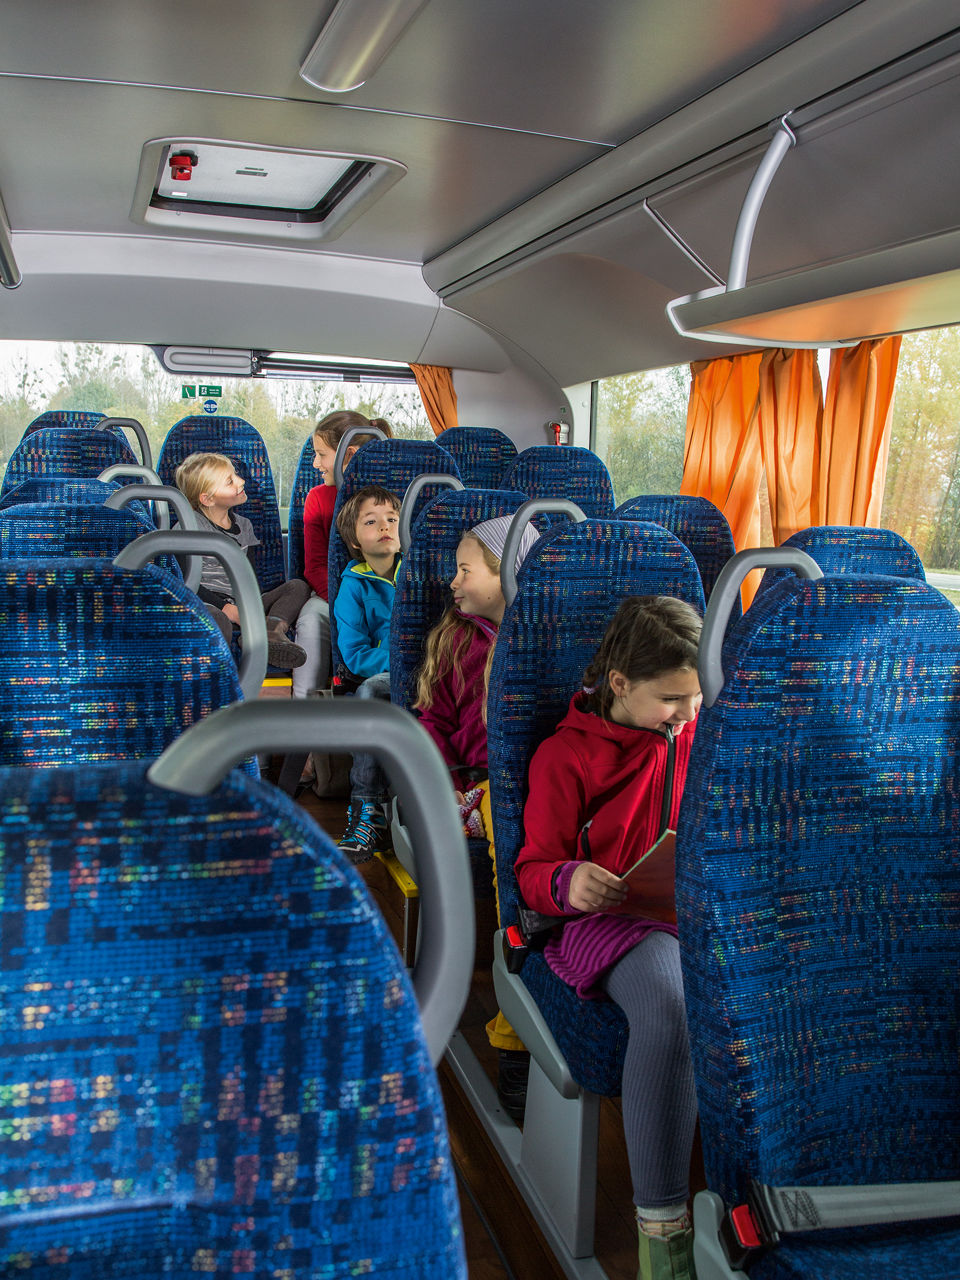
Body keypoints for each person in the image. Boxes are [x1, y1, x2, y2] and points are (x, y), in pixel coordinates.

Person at [514, 595, 703, 1280]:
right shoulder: (567, 757)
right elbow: (532, 871)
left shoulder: (696, 737)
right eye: (671, 700)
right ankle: (665, 1236)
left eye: (695, 698)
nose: (684, 716)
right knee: (671, 1005)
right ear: (620, 684)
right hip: (604, 922)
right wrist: (571, 881)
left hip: (687, 907)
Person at [414, 514, 539, 1121]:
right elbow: (433, 723)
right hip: (474, 787)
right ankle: (513, 1039)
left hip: (538, 784)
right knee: (514, 857)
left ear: (507, 575)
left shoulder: (544, 639)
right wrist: (436, 784)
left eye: (466, 570)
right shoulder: (456, 640)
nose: (453, 582)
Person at [175, 452, 310, 670]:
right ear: (207, 499)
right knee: (215, 618)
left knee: (297, 587)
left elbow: (248, 573)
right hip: (209, 603)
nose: (241, 481)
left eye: (235, 475)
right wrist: (226, 607)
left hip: (242, 602)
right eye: (230, 481)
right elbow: (184, 582)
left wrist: (248, 606)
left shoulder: (244, 525)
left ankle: (270, 630)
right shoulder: (187, 528)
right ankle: (220, 671)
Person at [333, 482, 402, 863]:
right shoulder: (353, 587)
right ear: (356, 540)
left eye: (392, 519)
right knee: (372, 694)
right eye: (371, 522)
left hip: (436, 665)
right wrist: (401, 659)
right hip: (387, 674)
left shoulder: (419, 571)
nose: (384, 527)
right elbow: (356, 656)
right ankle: (367, 812)